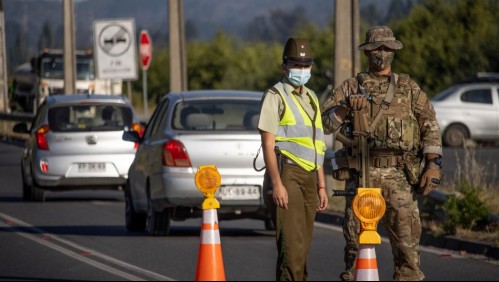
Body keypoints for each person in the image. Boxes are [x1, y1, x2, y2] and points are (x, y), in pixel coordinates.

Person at [321, 26, 443, 281]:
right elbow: (325, 124)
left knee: (407, 247)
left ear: (394, 51)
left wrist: (433, 164)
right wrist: (345, 107)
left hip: (399, 177)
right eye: (377, 48)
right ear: (367, 52)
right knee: (356, 246)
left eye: (387, 48)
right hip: (362, 175)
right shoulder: (351, 86)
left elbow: (429, 123)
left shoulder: (408, 88)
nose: (382, 53)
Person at [257, 37, 329, 281]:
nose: (301, 70)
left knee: (301, 250)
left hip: (310, 176)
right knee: (292, 251)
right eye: (296, 64)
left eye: (306, 65)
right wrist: (277, 184)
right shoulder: (274, 96)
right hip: (287, 173)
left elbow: (317, 145)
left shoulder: (312, 98)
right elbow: (268, 145)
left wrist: (321, 184)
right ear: (284, 67)